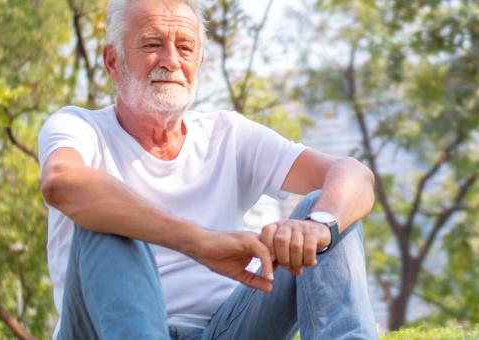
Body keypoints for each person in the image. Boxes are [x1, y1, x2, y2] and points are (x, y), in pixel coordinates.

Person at [35, 0, 378, 338]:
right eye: (153, 45)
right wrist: (200, 243)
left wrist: (321, 226)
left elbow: (354, 175)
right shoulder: (79, 127)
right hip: (102, 331)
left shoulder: (227, 135)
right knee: (104, 212)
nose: (170, 61)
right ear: (113, 61)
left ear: (198, 62)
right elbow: (61, 183)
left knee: (329, 208)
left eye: (184, 48)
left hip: (224, 329)